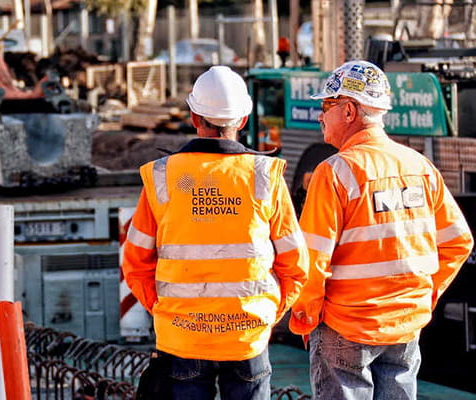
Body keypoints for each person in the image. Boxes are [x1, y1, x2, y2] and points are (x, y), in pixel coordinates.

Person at [289, 60, 474, 399]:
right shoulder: (420, 167)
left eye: (326, 106)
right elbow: (458, 241)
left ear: (348, 111)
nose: (320, 116)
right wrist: (424, 294)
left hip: (346, 324)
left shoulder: (334, 173)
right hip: (405, 323)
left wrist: (305, 316)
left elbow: (311, 259)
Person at [123, 66, 309, 399]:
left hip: (183, 337)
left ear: (194, 116)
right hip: (247, 337)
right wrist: (266, 313)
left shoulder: (165, 177)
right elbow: (295, 265)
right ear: (241, 120)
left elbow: (135, 262)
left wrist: (165, 312)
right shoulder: (264, 177)